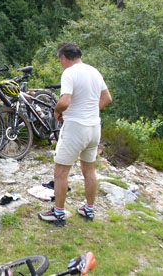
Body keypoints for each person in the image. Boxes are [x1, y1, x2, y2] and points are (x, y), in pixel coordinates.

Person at [38, 42, 112, 226]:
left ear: (63, 57)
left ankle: (59, 213)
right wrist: (90, 111)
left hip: (75, 127)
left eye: (59, 60)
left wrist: (56, 111)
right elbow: (107, 98)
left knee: (61, 171)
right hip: (94, 127)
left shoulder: (69, 73)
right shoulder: (94, 71)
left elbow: (65, 101)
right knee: (89, 170)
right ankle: (88, 208)